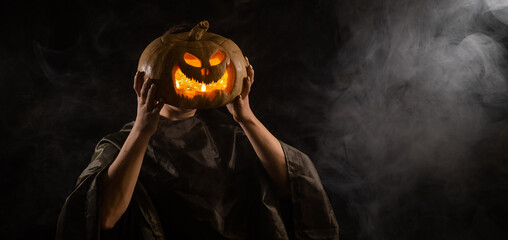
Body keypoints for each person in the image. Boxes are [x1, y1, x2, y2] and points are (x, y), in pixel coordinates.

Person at [56, 58, 339, 239]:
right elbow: (101, 217)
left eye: (212, 60)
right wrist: (143, 128)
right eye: (188, 58)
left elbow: (296, 186)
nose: (203, 70)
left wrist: (245, 117)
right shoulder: (120, 144)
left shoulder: (234, 137)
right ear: (146, 79)